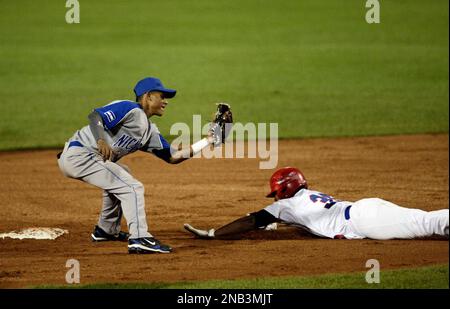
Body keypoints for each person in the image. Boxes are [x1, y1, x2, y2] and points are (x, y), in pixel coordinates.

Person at [57, 77, 231, 254]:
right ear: (148, 96)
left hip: (88, 158)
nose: (165, 102)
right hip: (79, 154)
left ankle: (106, 230)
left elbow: (174, 156)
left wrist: (208, 140)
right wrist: (101, 140)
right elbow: (96, 115)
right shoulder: (130, 109)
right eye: (162, 96)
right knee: (132, 187)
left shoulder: (149, 131)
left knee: (123, 173)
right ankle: (139, 238)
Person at [184, 167, 449, 240]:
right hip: (366, 208)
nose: (275, 199)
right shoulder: (307, 198)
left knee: (426, 222)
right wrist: (274, 225)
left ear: (284, 191)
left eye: (276, 193)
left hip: (364, 220)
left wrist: (213, 233)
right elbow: (306, 222)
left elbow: (251, 220)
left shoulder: (284, 206)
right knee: (422, 219)